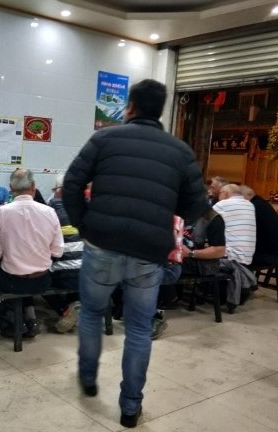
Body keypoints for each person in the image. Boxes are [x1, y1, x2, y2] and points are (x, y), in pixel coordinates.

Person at [63, 79, 207, 428]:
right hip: (148, 253)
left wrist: (85, 225)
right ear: (161, 110)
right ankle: (130, 407)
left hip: (102, 245)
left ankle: (88, 378)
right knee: (140, 329)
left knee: (91, 314)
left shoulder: (104, 139)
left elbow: (71, 183)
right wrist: (162, 215)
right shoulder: (180, 150)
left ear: (130, 107)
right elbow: (197, 205)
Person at [0, 169, 64, 337]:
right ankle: (29, 317)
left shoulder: (1, 213)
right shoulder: (49, 212)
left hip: (12, 281)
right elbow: (58, 251)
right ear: (33, 186)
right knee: (22, 274)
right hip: (42, 280)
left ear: (10, 188)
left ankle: (14, 318)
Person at [45, 174, 81, 333]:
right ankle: (77, 305)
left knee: (38, 278)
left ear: (59, 190)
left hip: (64, 273)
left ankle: (64, 309)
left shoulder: (50, 210)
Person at [213, 184, 257, 312]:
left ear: (225, 194)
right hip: (247, 256)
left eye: (220, 193)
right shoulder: (250, 205)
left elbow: (204, 220)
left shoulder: (222, 205)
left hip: (230, 256)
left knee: (204, 252)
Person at [241, 185, 278, 267]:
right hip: (272, 251)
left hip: (267, 254)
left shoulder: (253, 206)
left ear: (248, 195)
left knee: (233, 256)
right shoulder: (261, 203)